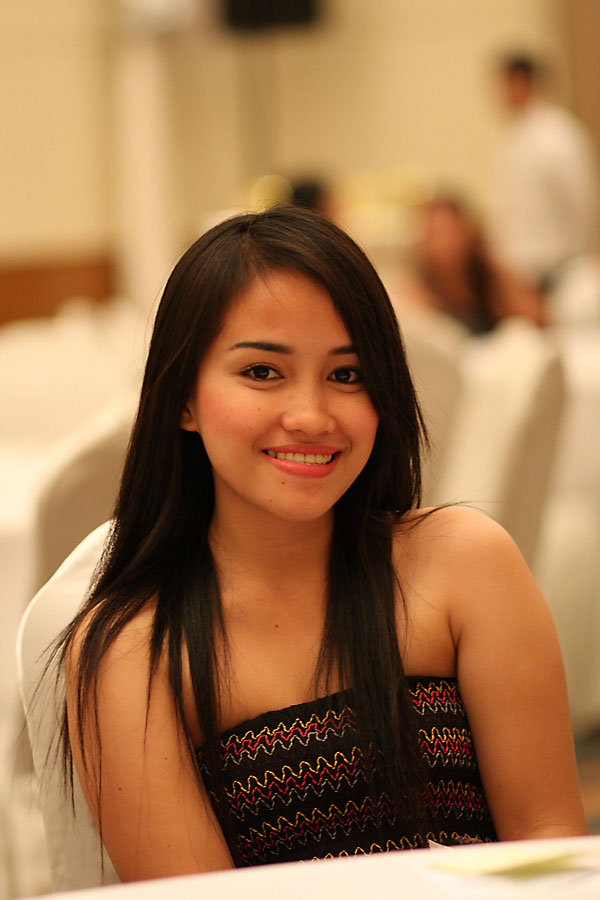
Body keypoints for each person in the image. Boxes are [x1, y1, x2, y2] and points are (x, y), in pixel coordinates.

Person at [57, 205, 585, 882]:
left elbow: (549, 848)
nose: (310, 416)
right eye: (261, 372)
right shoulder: (136, 651)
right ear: (183, 397)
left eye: (346, 375)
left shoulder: (465, 565)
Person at [490, 53, 600, 293]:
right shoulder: (514, 135)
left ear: (522, 82)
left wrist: (591, 250)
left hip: (560, 266)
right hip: (524, 272)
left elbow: (583, 197)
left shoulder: (559, 133)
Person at [396, 193, 546, 333]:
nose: (443, 244)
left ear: (467, 232)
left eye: (449, 231)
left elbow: (537, 319)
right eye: (434, 234)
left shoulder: (495, 282)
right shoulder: (417, 294)